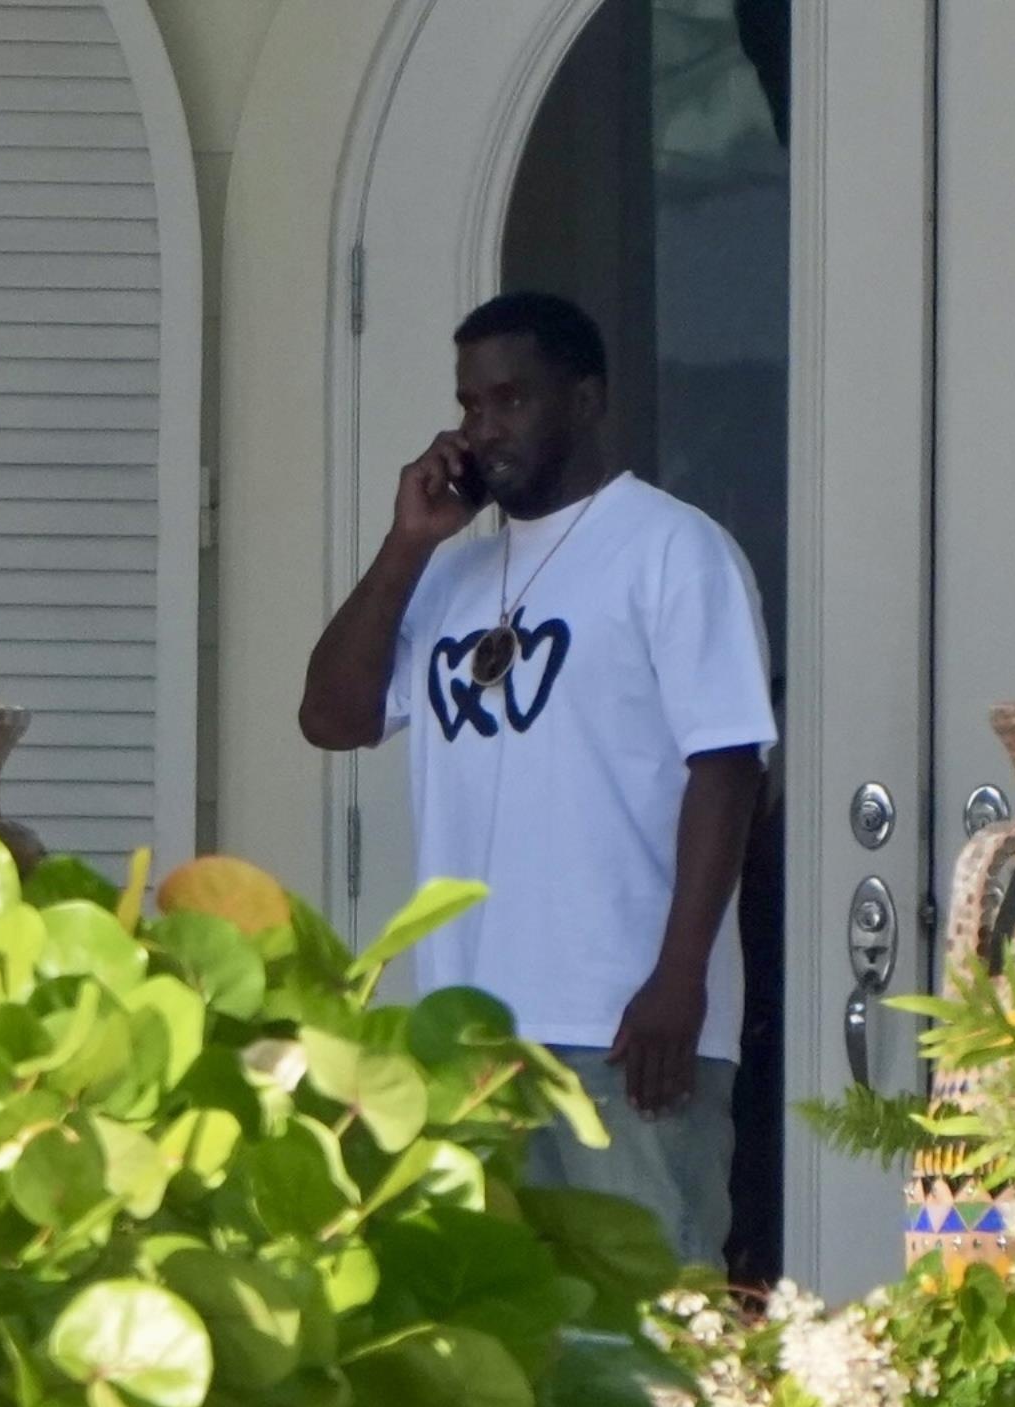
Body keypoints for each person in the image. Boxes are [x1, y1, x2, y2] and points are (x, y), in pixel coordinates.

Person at [298, 292, 776, 1266]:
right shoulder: (445, 575)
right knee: (509, 1340)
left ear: (586, 399)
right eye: (470, 405)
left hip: (626, 1030)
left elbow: (726, 769)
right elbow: (332, 718)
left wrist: (680, 977)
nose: (484, 429)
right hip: (470, 1032)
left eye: (511, 400)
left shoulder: (672, 549)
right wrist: (406, 544)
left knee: (652, 1338)